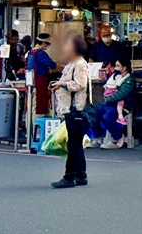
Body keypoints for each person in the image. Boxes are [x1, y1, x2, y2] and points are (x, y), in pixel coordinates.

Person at [49, 36, 91, 189]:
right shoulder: (73, 64)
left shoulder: (79, 64)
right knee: (76, 143)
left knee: (73, 143)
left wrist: (62, 84)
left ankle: (69, 177)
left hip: (76, 109)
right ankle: (80, 175)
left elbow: (80, 84)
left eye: (67, 45)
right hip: (73, 109)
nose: (64, 48)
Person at [91, 57, 136, 149]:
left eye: (117, 66)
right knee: (92, 113)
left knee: (107, 117)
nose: (115, 68)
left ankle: (118, 137)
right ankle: (98, 137)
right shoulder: (115, 76)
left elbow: (121, 94)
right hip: (109, 104)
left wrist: (108, 100)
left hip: (122, 106)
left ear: (124, 68)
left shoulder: (129, 80)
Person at [27, 33, 57, 117]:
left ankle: (31, 125)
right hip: (39, 84)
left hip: (31, 84)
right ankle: (37, 125)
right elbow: (52, 65)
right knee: (39, 108)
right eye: (48, 44)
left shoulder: (31, 53)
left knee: (32, 107)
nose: (48, 46)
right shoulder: (41, 53)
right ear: (43, 43)